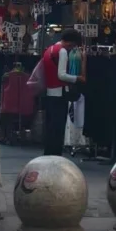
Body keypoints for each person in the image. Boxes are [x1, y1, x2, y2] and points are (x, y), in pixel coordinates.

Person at [39, 28, 83, 156]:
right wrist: (77, 78)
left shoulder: (49, 50)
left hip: (49, 92)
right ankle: (56, 155)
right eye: (73, 45)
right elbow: (61, 75)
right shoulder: (62, 51)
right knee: (58, 128)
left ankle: (49, 153)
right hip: (59, 92)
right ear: (70, 42)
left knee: (51, 127)